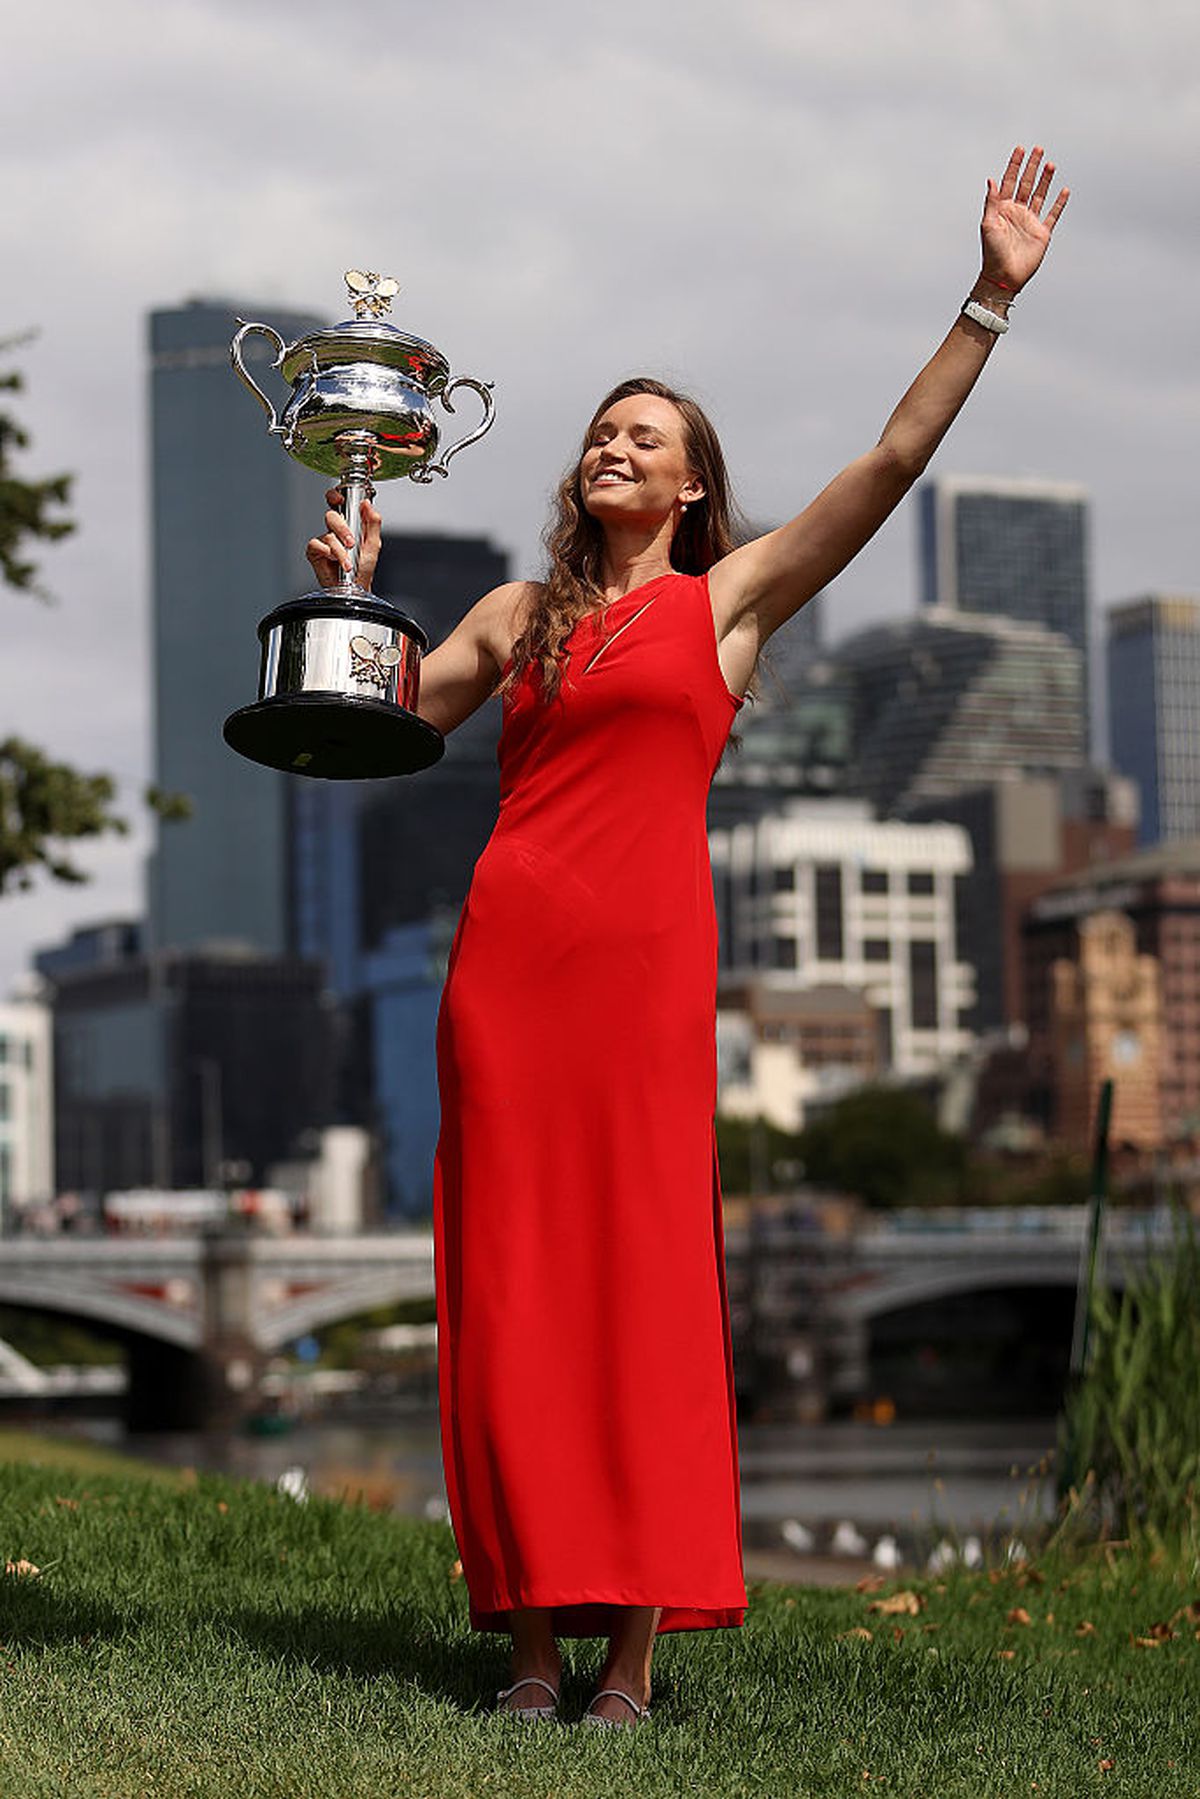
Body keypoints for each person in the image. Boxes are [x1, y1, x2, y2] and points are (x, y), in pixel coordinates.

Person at [308, 145, 1069, 1727]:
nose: (610, 445)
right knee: (512, 1288)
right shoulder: (520, 615)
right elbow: (378, 720)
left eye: (642, 436)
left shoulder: (730, 605)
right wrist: (360, 600)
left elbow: (890, 461)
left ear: (692, 485)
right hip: (503, 978)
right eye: (600, 430)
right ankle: (528, 1649)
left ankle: (631, 1664)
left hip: (645, 983)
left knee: (642, 1291)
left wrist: (988, 300)